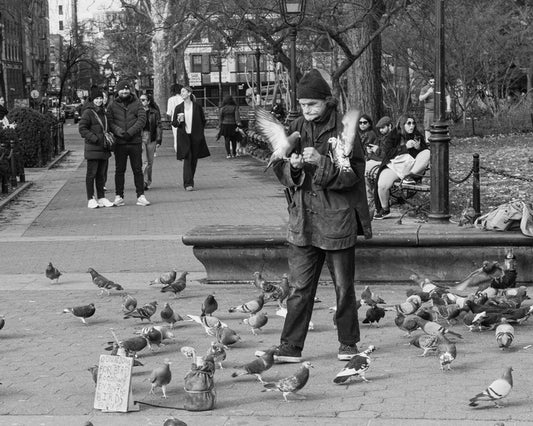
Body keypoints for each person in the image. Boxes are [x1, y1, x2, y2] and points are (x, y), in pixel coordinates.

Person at [263, 69, 372, 363]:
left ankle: (348, 343)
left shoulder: (343, 130)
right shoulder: (296, 126)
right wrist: (294, 168)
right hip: (303, 221)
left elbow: (354, 175)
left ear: (327, 101)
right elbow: (281, 172)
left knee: (343, 287)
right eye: (302, 105)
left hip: (337, 219)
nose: (306, 110)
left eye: (312, 104)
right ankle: (290, 347)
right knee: (299, 287)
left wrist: (322, 163)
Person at [373, 114, 430, 219]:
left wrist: (418, 148)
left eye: (413, 123)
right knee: (382, 185)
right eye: (408, 123)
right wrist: (404, 147)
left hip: (412, 167)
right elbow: (388, 153)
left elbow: (424, 155)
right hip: (395, 165)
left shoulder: (417, 135)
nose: (411, 126)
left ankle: (408, 177)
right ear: (402, 124)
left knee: (427, 152)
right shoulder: (393, 135)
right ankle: (385, 209)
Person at [107, 80, 150, 206]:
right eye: (122, 89)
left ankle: (141, 195)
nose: (124, 91)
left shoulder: (137, 103)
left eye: (126, 89)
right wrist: (120, 132)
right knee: (120, 170)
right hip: (120, 143)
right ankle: (119, 196)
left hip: (135, 141)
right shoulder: (112, 105)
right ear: (117, 91)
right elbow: (110, 122)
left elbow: (142, 119)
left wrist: (130, 132)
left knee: (137, 169)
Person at [78, 87, 114, 209]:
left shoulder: (104, 113)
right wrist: (95, 138)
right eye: (97, 98)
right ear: (92, 100)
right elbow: (82, 128)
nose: (99, 100)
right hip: (93, 147)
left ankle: (102, 197)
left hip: (104, 147)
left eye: (101, 98)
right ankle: (90, 198)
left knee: (101, 174)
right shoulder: (88, 112)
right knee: (91, 174)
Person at [171, 86, 210, 191]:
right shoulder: (178, 108)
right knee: (187, 158)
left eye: (183, 91)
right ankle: (188, 183)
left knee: (194, 160)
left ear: (189, 93)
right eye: (181, 92)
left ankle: (190, 179)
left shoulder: (197, 107)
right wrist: (179, 121)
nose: (181, 93)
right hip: (184, 137)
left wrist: (200, 133)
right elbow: (174, 123)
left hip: (195, 136)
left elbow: (203, 120)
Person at [139, 93, 162, 190]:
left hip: (151, 137)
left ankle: (148, 181)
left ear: (148, 101)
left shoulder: (154, 112)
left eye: (144, 100)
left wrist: (159, 140)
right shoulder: (137, 112)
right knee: (144, 161)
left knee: (150, 162)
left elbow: (159, 126)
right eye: (140, 100)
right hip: (141, 137)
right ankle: (143, 182)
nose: (142, 102)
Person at [166, 83, 184, 152]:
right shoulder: (183, 98)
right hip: (184, 118)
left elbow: (169, 113)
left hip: (175, 120)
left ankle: (178, 150)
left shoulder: (170, 100)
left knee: (176, 136)